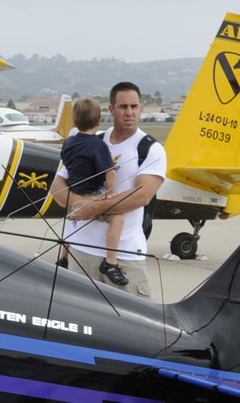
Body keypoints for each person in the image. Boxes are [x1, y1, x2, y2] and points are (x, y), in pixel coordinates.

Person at [46, 81, 166, 295]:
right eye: (123, 107)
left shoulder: (150, 149)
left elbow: (142, 196)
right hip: (80, 252)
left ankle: (109, 263)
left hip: (124, 256)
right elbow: (58, 185)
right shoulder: (91, 140)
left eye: (134, 106)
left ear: (141, 109)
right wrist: (78, 203)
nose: (129, 112)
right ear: (110, 110)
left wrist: (92, 208)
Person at [57, 97, 128, 285]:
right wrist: (110, 196)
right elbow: (110, 173)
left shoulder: (68, 143)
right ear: (99, 121)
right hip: (91, 194)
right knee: (118, 218)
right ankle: (111, 262)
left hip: (74, 191)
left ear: (73, 122)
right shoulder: (98, 145)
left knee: (73, 222)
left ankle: (64, 257)